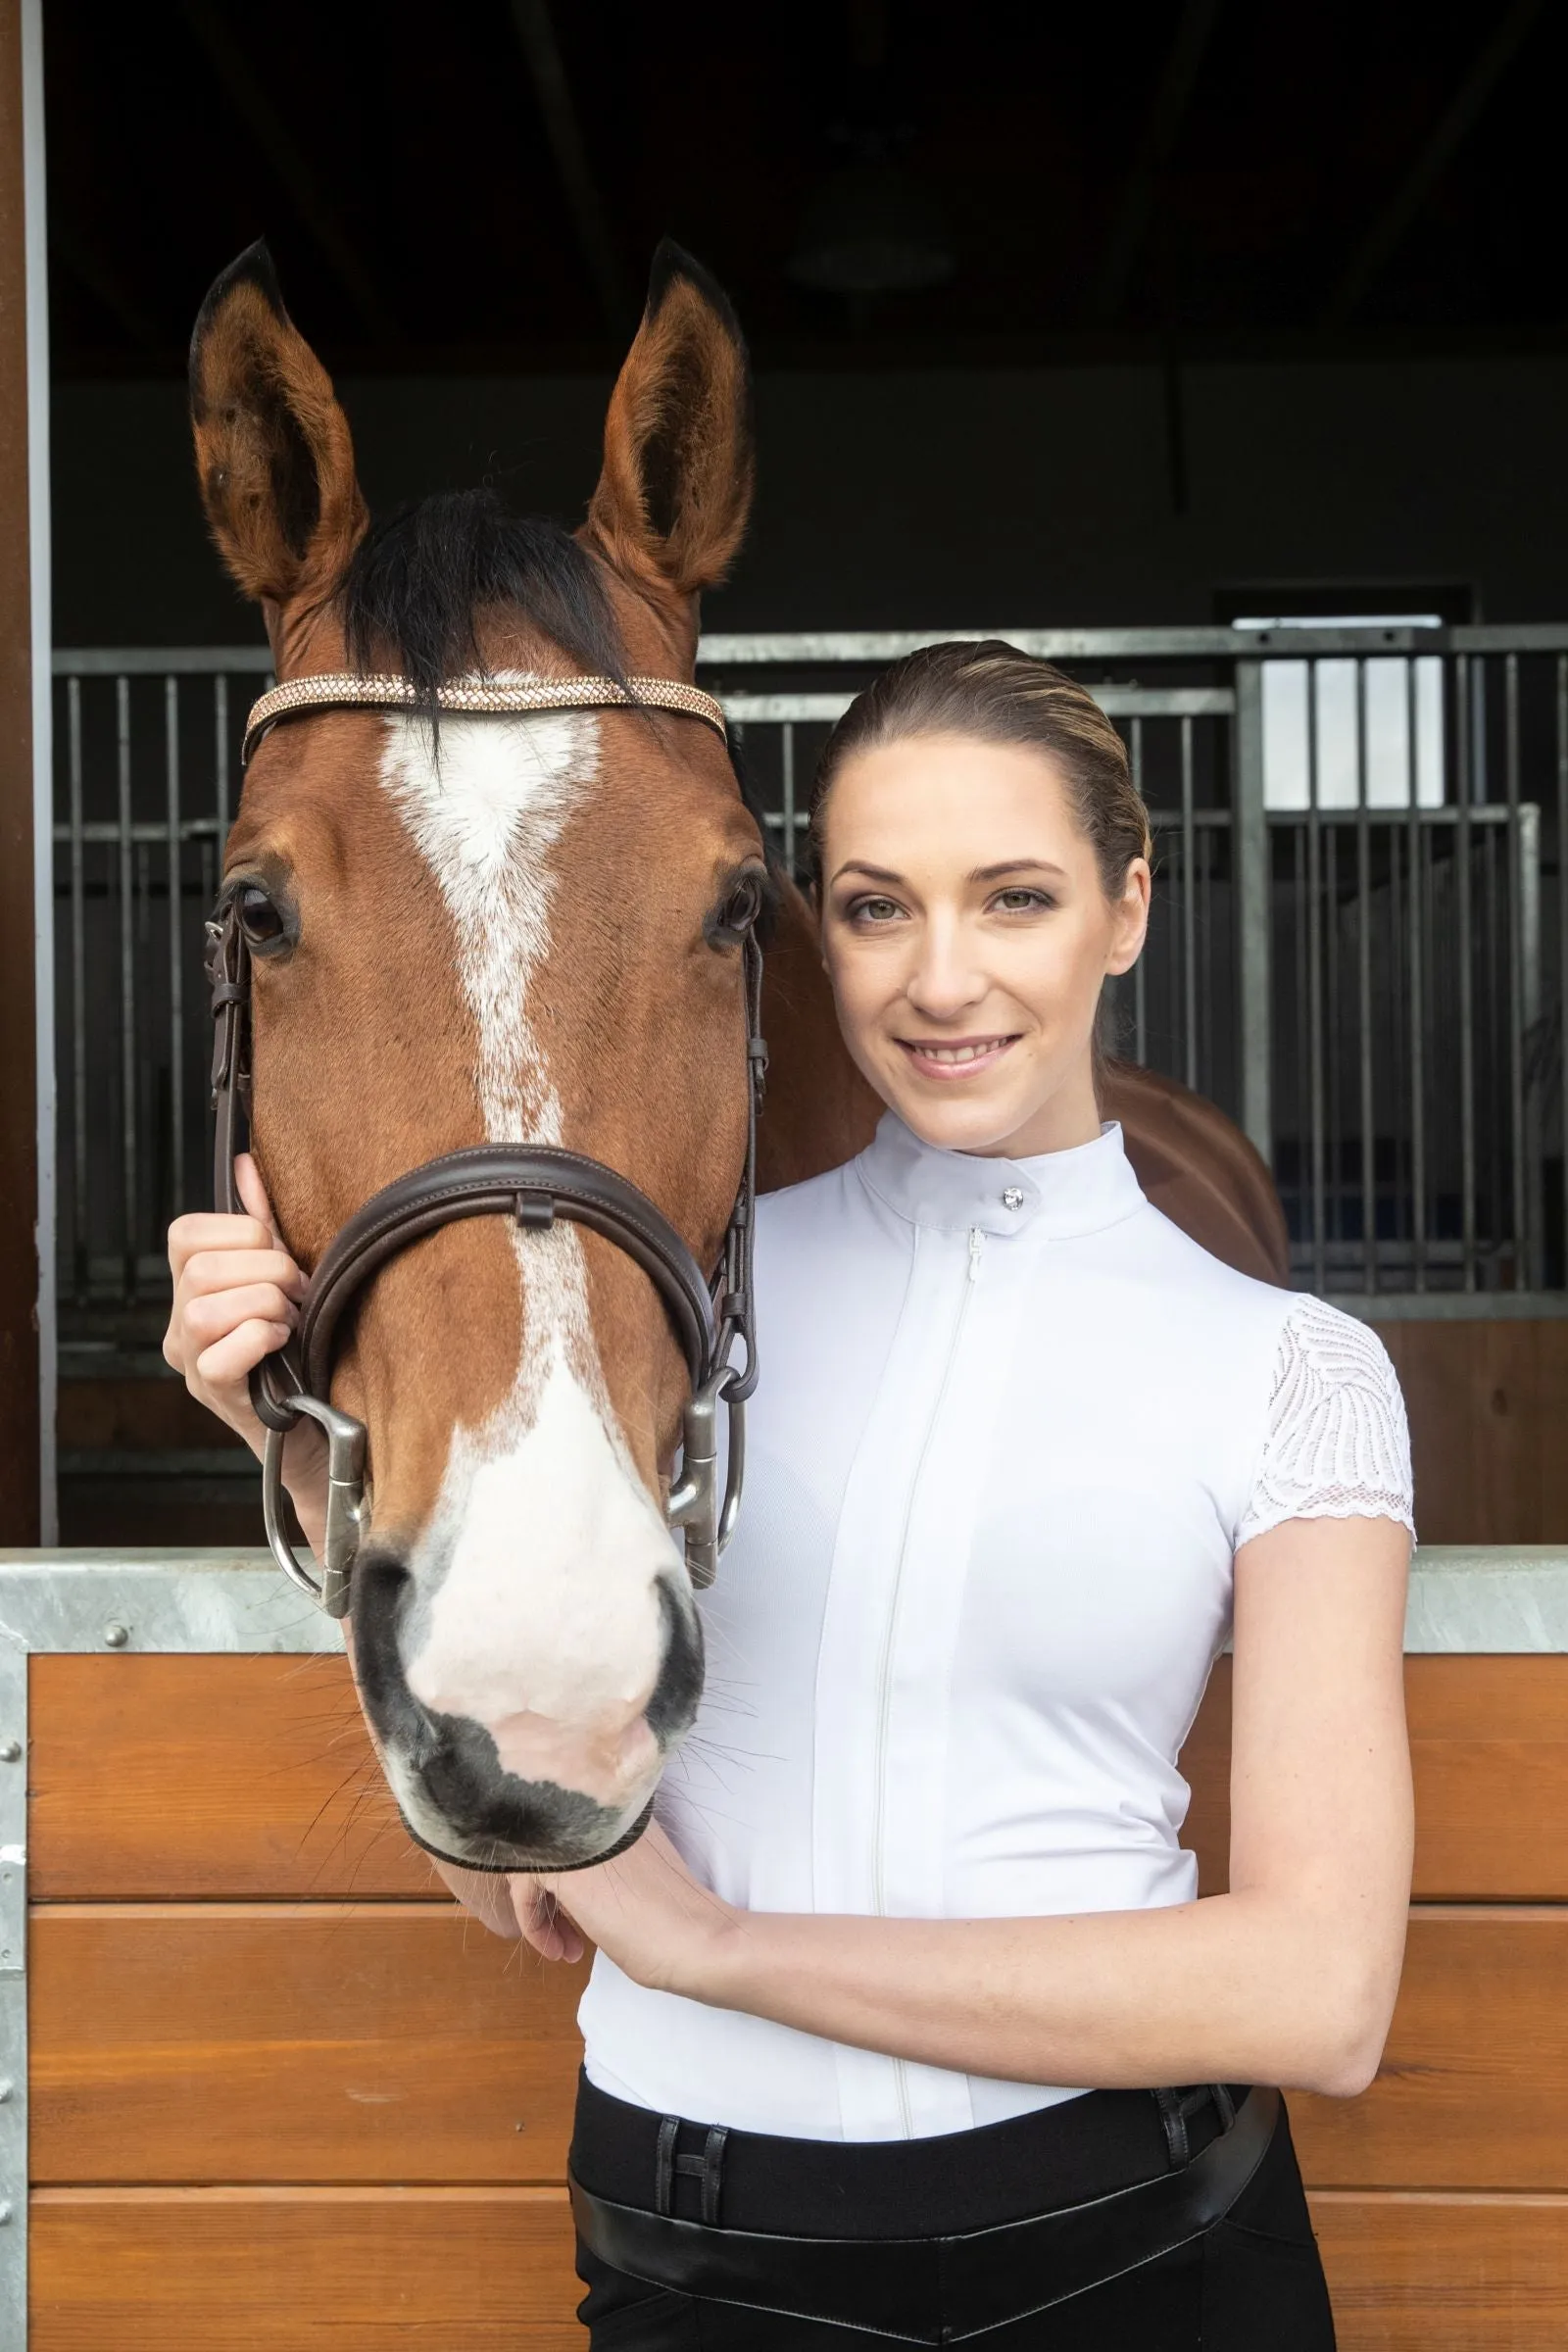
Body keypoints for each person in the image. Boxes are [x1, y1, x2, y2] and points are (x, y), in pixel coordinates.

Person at [166, 641, 1414, 2349]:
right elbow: (518, 1865)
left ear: (1127, 910)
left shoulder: (1295, 1367)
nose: (943, 978)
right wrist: (298, 1443)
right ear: (808, 924)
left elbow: (1321, 1996)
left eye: (1018, 898)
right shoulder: (656, 1304)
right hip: (703, 2266)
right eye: (877, 907)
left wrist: (726, 1952)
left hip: (1152, 2255)